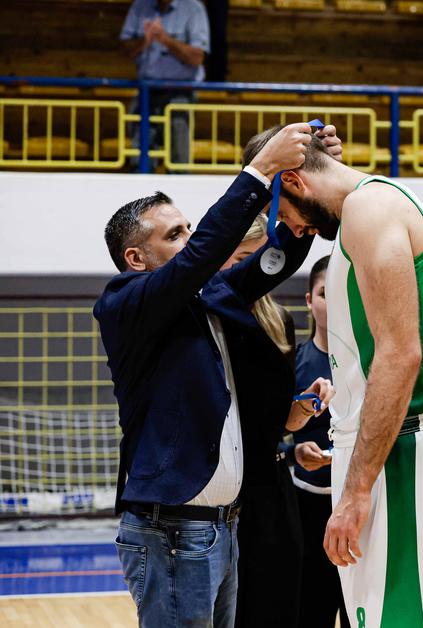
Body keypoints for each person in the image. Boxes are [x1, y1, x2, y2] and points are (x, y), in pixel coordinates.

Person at [95, 122, 325, 628]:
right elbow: (203, 256)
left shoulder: (208, 295)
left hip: (222, 525)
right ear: (136, 258)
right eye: (175, 234)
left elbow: (273, 260)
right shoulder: (124, 301)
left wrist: (301, 183)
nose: (191, 239)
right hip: (172, 530)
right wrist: (261, 168)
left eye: (189, 228)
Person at [241, 126, 423, 628]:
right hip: (386, 450)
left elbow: (400, 354)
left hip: (400, 451)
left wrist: (357, 489)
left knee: (400, 621)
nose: (294, 230)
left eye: (284, 216)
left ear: (293, 181)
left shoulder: (370, 209)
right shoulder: (359, 215)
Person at [221, 216, 330, 628]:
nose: (250, 270)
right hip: (224, 486)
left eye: (257, 259)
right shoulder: (205, 315)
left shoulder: (279, 320)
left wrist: (301, 413)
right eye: (239, 260)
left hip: (272, 485)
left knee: (281, 604)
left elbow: (280, 421)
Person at [290, 256, 351, 628]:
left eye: (343, 293)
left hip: (356, 503)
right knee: (311, 610)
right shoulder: (294, 361)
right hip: (307, 503)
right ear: (310, 301)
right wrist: (295, 452)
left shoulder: (368, 364)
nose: (335, 302)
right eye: (326, 293)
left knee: (358, 610)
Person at [120, 0, 210, 166]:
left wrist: (165, 39)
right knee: (139, 160)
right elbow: (123, 51)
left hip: (180, 93)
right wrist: (144, 41)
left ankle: (179, 180)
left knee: (178, 160)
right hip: (145, 92)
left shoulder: (193, 9)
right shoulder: (140, 6)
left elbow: (197, 57)